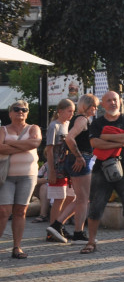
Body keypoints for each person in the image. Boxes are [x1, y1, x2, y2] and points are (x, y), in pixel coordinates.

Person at [82, 91, 124, 254]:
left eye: (115, 100)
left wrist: (107, 138)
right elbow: (95, 143)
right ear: (102, 104)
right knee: (96, 205)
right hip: (101, 170)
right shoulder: (96, 123)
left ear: (120, 101)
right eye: (108, 101)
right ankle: (91, 242)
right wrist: (120, 141)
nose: (112, 103)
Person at [0, 100, 43, 259]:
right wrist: (24, 145)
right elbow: (0, 147)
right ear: (10, 113)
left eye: (24, 109)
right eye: (16, 109)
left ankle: (16, 247)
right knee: (3, 211)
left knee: (20, 211)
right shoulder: (3, 129)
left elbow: (35, 143)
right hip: (6, 176)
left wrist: (10, 144)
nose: (20, 112)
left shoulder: (34, 128)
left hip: (27, 175)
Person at [61, 94, 99, 243]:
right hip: (81, 158)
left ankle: (60, 224)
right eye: (94, 106)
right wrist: (78, 156)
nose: (95, 109)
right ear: (87, 107)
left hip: (80, 158)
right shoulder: (82, 119)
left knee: (81, 198)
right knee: (84, 199)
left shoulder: (80, 119)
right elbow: (69, 138)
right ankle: (75, 230)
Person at [44, 98, 76, 244]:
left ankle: (59, 225)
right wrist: (51, 170)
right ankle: (52, 230)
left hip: (68, 167)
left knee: (71, 197)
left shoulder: (68, 124)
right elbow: (49, 150)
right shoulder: (54, 126)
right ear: (60, 111)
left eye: (73, 111)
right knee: (59, 199)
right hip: (57, 167)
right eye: (69, 111)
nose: (71, 114)